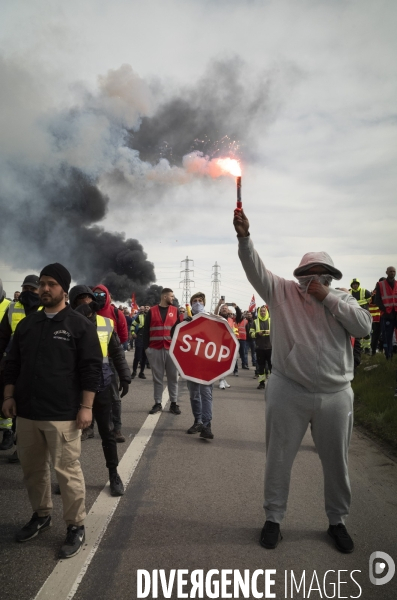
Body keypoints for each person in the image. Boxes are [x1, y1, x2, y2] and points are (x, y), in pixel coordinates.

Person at [234, 208, 372, 554]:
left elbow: (364, 327)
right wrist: (244, 238)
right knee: (278, 457)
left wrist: (328, 299)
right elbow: (255, 269)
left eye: (320, 275)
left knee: (336, 461)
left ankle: (337, 521)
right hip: (288, 390)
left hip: (336, 394)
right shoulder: (281, 293)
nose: (312, 280)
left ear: (330, 277)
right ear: (297, 275)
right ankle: (273, 519)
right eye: (307, 274)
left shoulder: (342, 299)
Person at [2, 263, 103, 559]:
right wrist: (9, 395)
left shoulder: (78, 325)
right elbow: (12, 363)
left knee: (67, 472)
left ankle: (75, 525)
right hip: (28, 412)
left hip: (63, 414)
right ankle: (41, 514)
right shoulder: (27, 325)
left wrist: (86, 407)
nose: (45, 289)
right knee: (32, 470)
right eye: (42, 283)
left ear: (64, 290)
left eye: (52, 284)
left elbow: (91, 369)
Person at [69, 285, 131, 496]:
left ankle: (114, 474)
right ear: (74, 304)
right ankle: (67, 476)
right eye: (80, 300)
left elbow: (116, 351)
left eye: (89, 299)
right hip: (74, 386)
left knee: (108, 432)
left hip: (102, 383)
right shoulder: (68, 323)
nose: (86, 303)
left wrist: (125, 376)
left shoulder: (106, 323)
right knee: (70, 435)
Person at [0, 275, 43, 455]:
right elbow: (2, 336)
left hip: (38, 365)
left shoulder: (46, 308)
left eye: (32, 289)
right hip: (13, 363)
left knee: (29, 406)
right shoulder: (12, 307)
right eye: (25, 288)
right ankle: (9, 434)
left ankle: (22, 447)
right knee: (8, 400)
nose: (28, 292)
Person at [173, 292, 214, 439]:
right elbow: (174, 335)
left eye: (200, 301)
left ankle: (207, 425)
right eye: (194, 301)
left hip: (207, 364)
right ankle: (198, 421)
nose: (197, 303)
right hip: (191, 365)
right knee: (194, 395)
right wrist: (182, 323)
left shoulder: (211, 319)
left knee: (206, 394)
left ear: (204, 303)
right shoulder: (185, 319)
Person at [92, 285, 129, 442]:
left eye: (102, 294)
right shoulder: (87, 312)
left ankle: (116, 428)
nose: (98, 296)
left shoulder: (116, 313)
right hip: (90, 362)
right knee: (89, 394)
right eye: (95, 294)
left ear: (107, 295)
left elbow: (123, 336)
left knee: (114, 396)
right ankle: (89, 428)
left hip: (111, 361)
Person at [143, 288, 181, 415]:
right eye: (171, 296)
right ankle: (157, 403)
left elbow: (180, 331)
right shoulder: (152, 311)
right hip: (155, 349)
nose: (173, 298)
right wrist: (147, 349)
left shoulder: (175, 311)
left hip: (171, 349)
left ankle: (174, 404)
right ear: (164, 296)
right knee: (157, 378)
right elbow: (146, 331)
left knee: (173, 378)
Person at [375, 267, 397, 359]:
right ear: (387, 272)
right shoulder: (380, 284)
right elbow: (377, 300)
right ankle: (389, 356)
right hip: (387, 314)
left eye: (394, 271)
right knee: (387, 337)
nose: (392, 273)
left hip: (396, 313)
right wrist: (384, 310)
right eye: (391, 271)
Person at [250, 305, 272, 390]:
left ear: (266, 312)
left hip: (270, 348)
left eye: (264, 311)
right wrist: (257, 334)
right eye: (261, 311)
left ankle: (271, 384)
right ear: (259, 312)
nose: (263, 312)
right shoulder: (255, 322)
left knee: (271, 367)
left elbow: (277, 331)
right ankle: (261, 383)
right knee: (261, 367)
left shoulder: (271, 321)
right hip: (260, 348)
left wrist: (270, 332)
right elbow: (251, 333)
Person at [349, 279, 371, 354]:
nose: (355, 285)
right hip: (354, 315)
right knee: (357, 332)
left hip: (364, 314)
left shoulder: (365, 291)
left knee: (366, 332)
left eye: (356, 284)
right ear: (351, 285)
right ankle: (360, 348)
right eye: (353, 284)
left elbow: (371, 301)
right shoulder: (349, 292)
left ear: (358, 284)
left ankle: (367, 348)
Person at [131, 306, 148, 380]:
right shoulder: (140, 317)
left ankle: (141, 372)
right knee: (137, 357)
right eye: (145, 308)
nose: (146, 309)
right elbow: (133, 325)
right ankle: (134, 372)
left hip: (147, 339)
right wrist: (132, 332)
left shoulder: (152, 317)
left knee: (144, 357)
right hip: (140, 337)